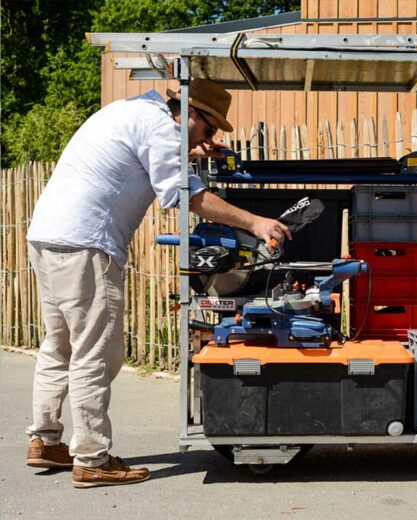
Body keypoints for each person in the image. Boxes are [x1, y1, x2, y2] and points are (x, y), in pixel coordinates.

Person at [24, 78, 290, 488]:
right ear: (191, 113)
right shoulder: (162, 127)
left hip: (48, 236)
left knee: (59, 343)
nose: (211, 138)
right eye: (208, 129)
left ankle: (45, 438)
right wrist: (255, 222)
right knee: (97, 352)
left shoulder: (131, 111)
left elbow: (151, 159)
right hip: (88, 244)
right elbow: (186, 195)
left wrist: (192, 148)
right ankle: (92, 457)